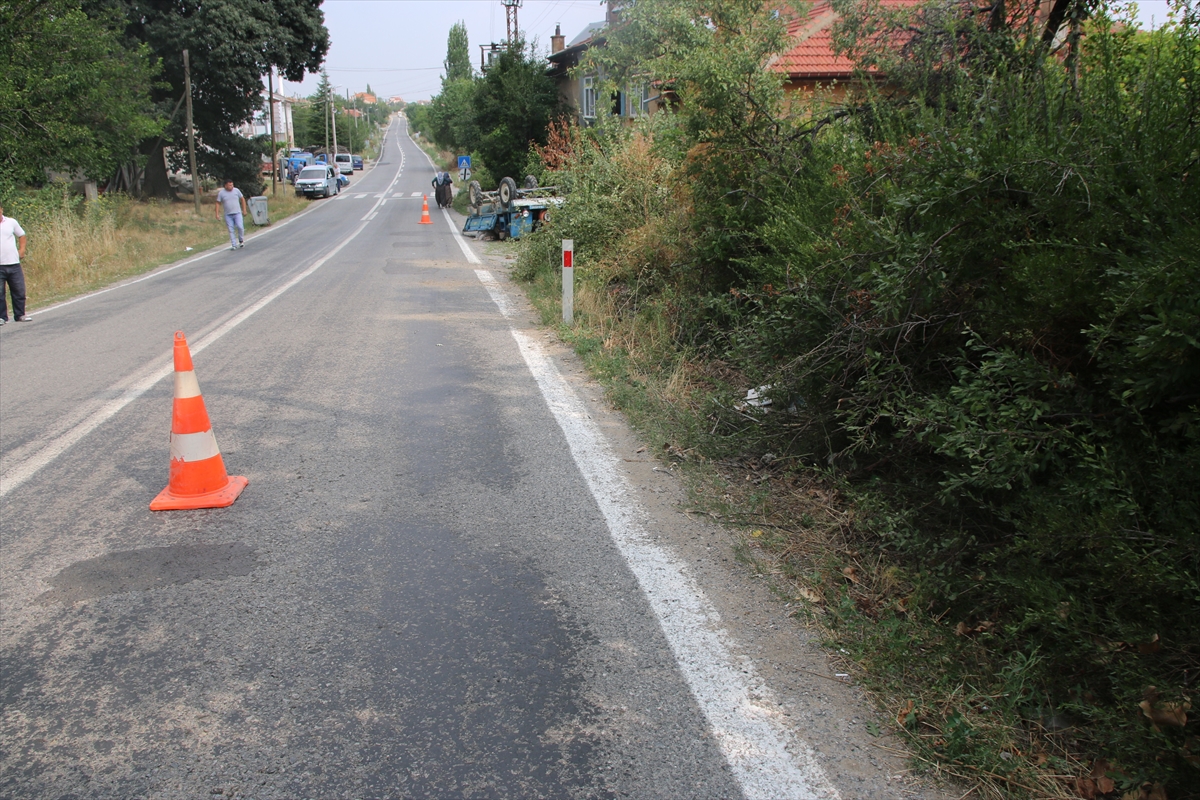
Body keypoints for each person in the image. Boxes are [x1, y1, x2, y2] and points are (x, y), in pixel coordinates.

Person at [0, 203, 30, 324]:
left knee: (19, 290)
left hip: (13, 262)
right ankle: (2, 317)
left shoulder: (11, 222)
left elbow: (21, 235)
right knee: (0, 293)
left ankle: (20, 314)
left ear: (1, 209)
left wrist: (22, 250)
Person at [215, 179, 248, 250]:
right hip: (228, 214)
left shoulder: (236, 191)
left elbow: (242, 199)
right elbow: (218, 203)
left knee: (240, 227)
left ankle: (241, 240)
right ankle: (234, 244)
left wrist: (244, 210)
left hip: (237, 213)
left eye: (232, 185)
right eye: (230, 185)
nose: (231, 186)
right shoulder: (221, 193)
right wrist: (217, 214)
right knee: (231, 229)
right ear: (225, 186)